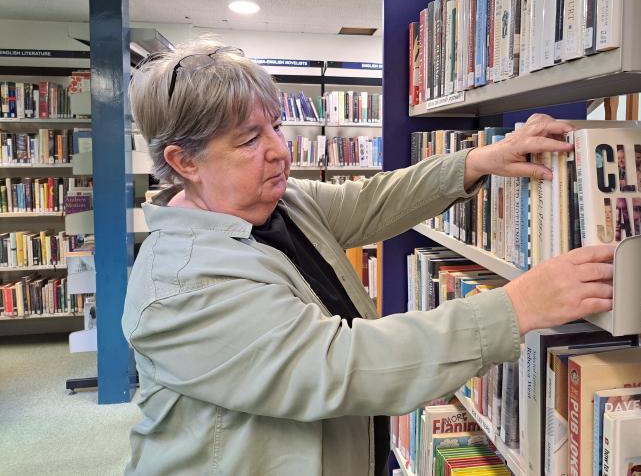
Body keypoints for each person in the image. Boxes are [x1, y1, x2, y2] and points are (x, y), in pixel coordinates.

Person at [123, 39, 615, 476]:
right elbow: (339, 365)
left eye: (275, 126)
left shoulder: (281, 202)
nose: (279, 150)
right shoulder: (183, 284)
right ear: (184, 162)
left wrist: (477, 162)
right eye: (250, 140)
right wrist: (516, 307)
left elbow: (372, 200)